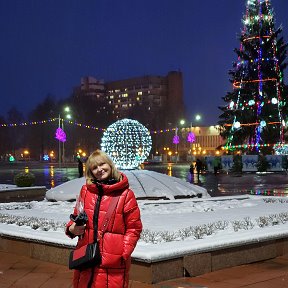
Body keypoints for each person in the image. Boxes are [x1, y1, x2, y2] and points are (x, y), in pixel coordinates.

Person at [66, 149, 142, 288]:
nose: (99, 169)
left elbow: (134, 228)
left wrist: (122, 253)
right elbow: (77, 215)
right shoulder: (86, 190)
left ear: (110, 165)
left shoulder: (126, 195)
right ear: (90, 172)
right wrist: (72, 228)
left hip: (112, 264)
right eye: (94, 167)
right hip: (86, 258)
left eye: (102, 164)